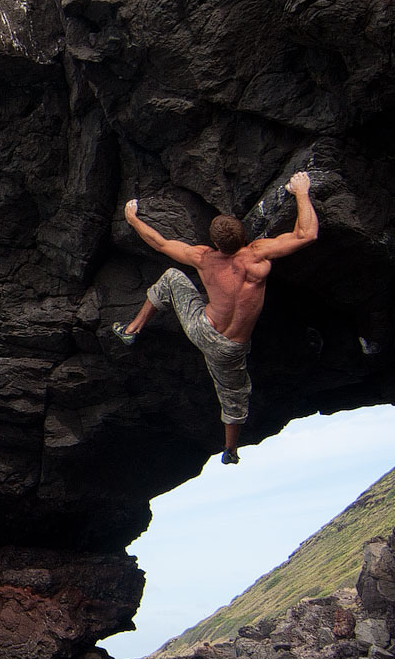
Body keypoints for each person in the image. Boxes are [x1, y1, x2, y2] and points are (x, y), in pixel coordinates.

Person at [113, 171, 318, 465]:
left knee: (171, 277)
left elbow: (159, 243)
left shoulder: (204, 258)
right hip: (229, 349)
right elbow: (306, 234)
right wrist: (301, 191)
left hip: (201, 327)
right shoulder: (257, 256)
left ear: (214, 242)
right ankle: (230, 449)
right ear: (244, 237)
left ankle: (133, 329)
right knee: (233, 395)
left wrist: (133, 219)